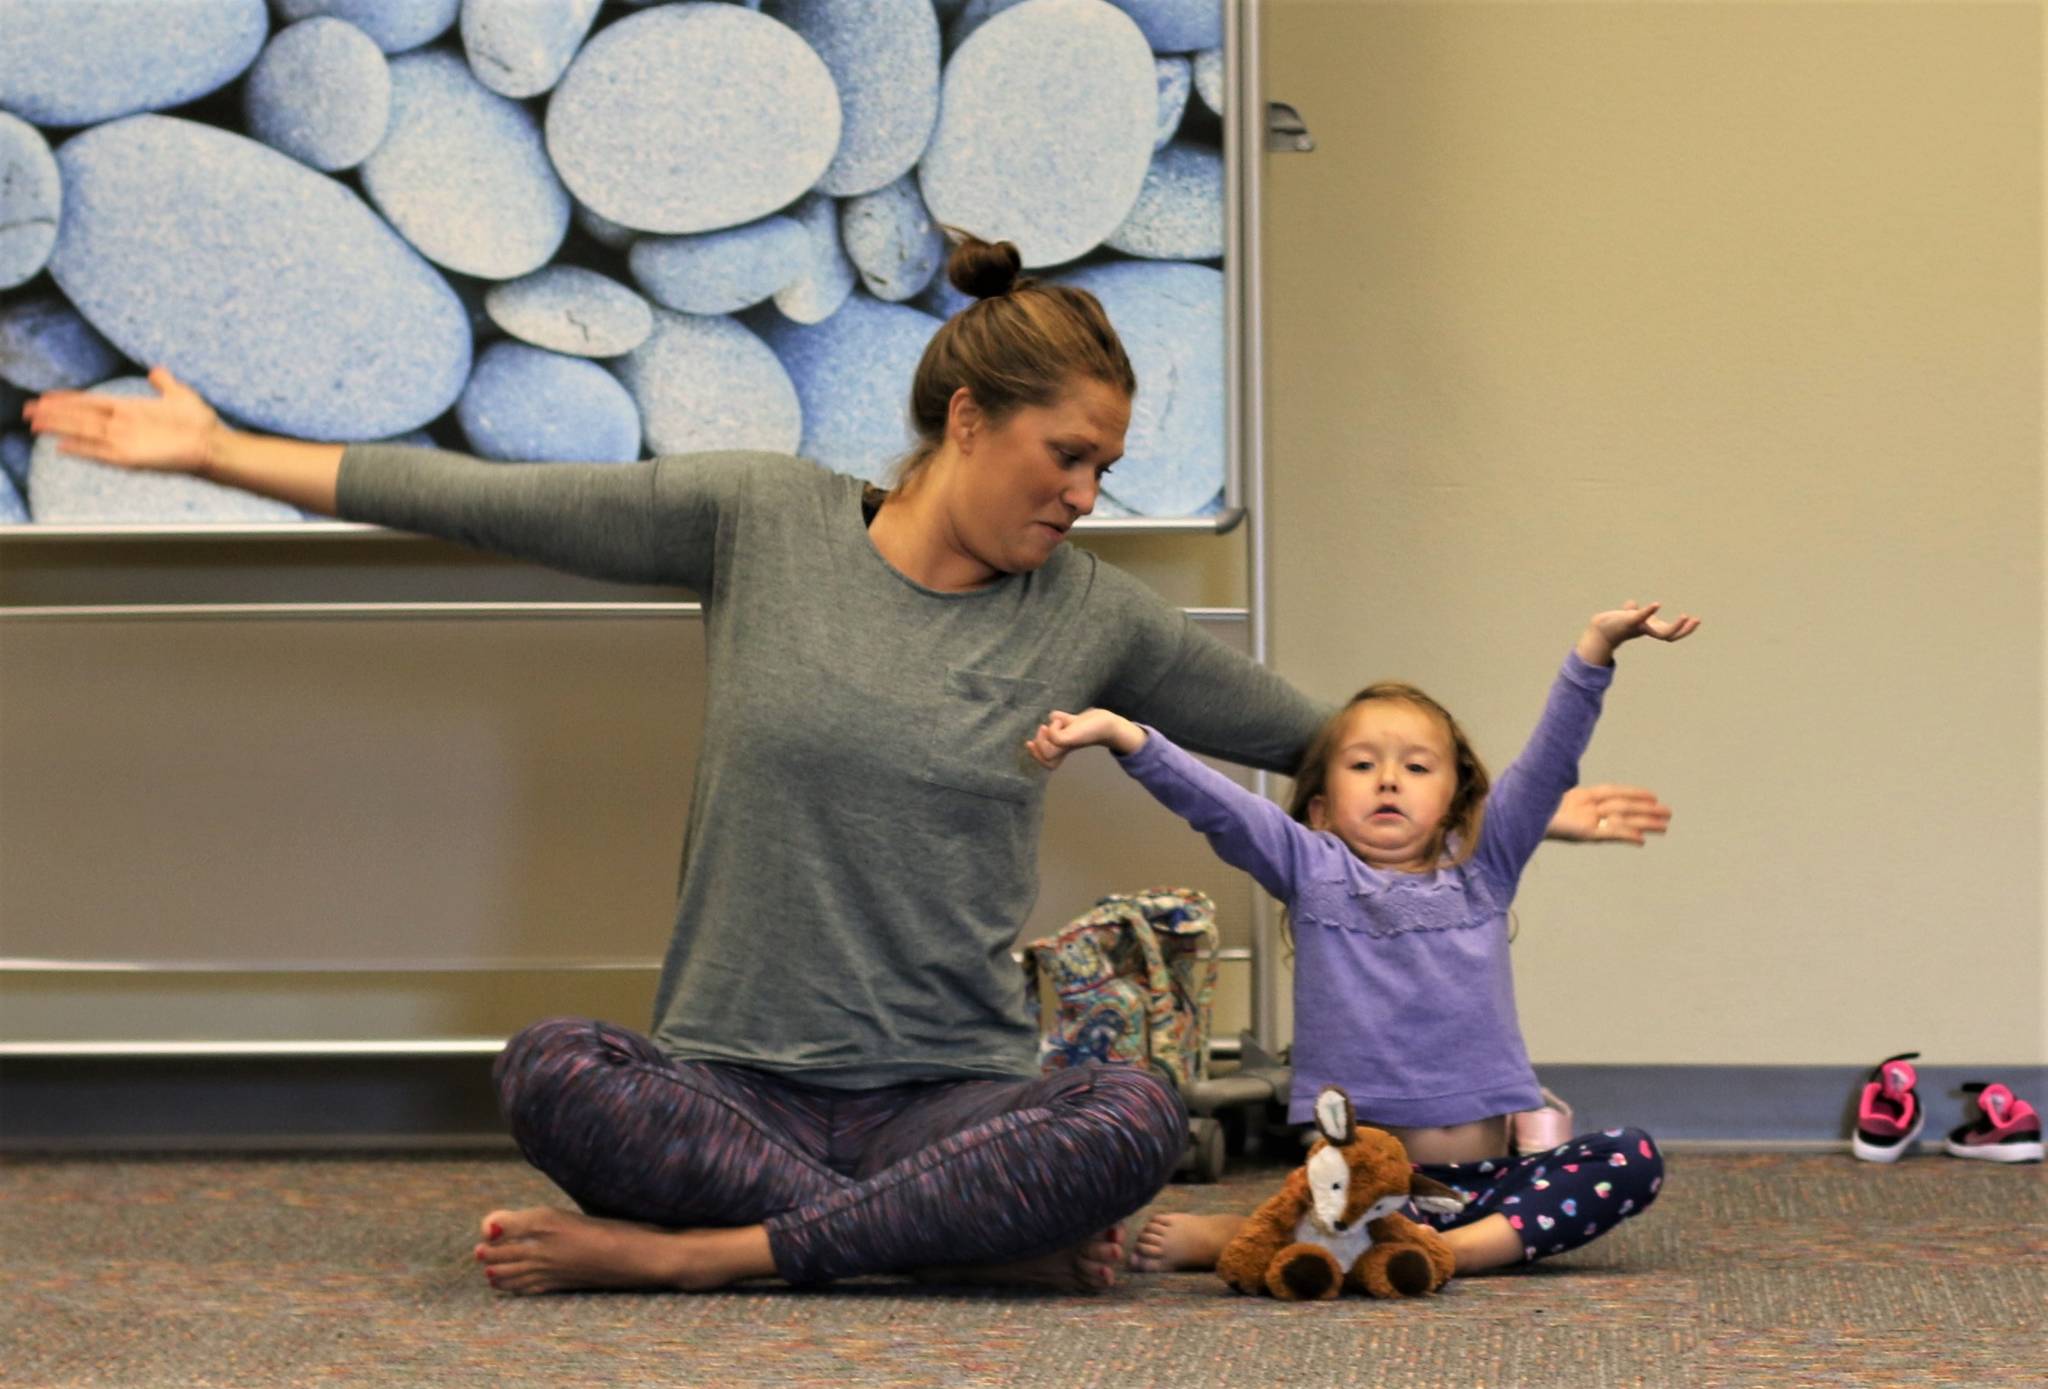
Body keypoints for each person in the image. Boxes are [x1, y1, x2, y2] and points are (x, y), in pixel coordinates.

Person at [23, 234, 1673, 1296]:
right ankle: (919, 1238)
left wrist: (1486, 802)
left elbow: (1325, 738)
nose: (1089, 493)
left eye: (1104, 461)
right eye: (1067, 453)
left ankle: (706, 1256)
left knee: (1117, 1115)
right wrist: (215, 447)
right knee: (550, 1065)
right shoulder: (757, 519)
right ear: (965, 421)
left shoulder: (1086, 614)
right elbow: (479, 497)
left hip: (940, 1089)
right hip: (735, 1074)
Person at [1025, 600, 1700, 1275]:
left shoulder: (1484, 868)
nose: (1388, 779)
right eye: (1361, 765)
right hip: (1366, 1190)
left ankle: (1446, 1251)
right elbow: (1217, 806)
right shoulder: (1312, 869)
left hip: (1492, 1183)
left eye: (1416, 766)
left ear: (1458, 800)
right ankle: (1334, 1239)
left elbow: (1549, 762)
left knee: (1629, 1157)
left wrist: (1595, 648)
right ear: (1319, 808)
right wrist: (1127, 737)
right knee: (1339, 1205)